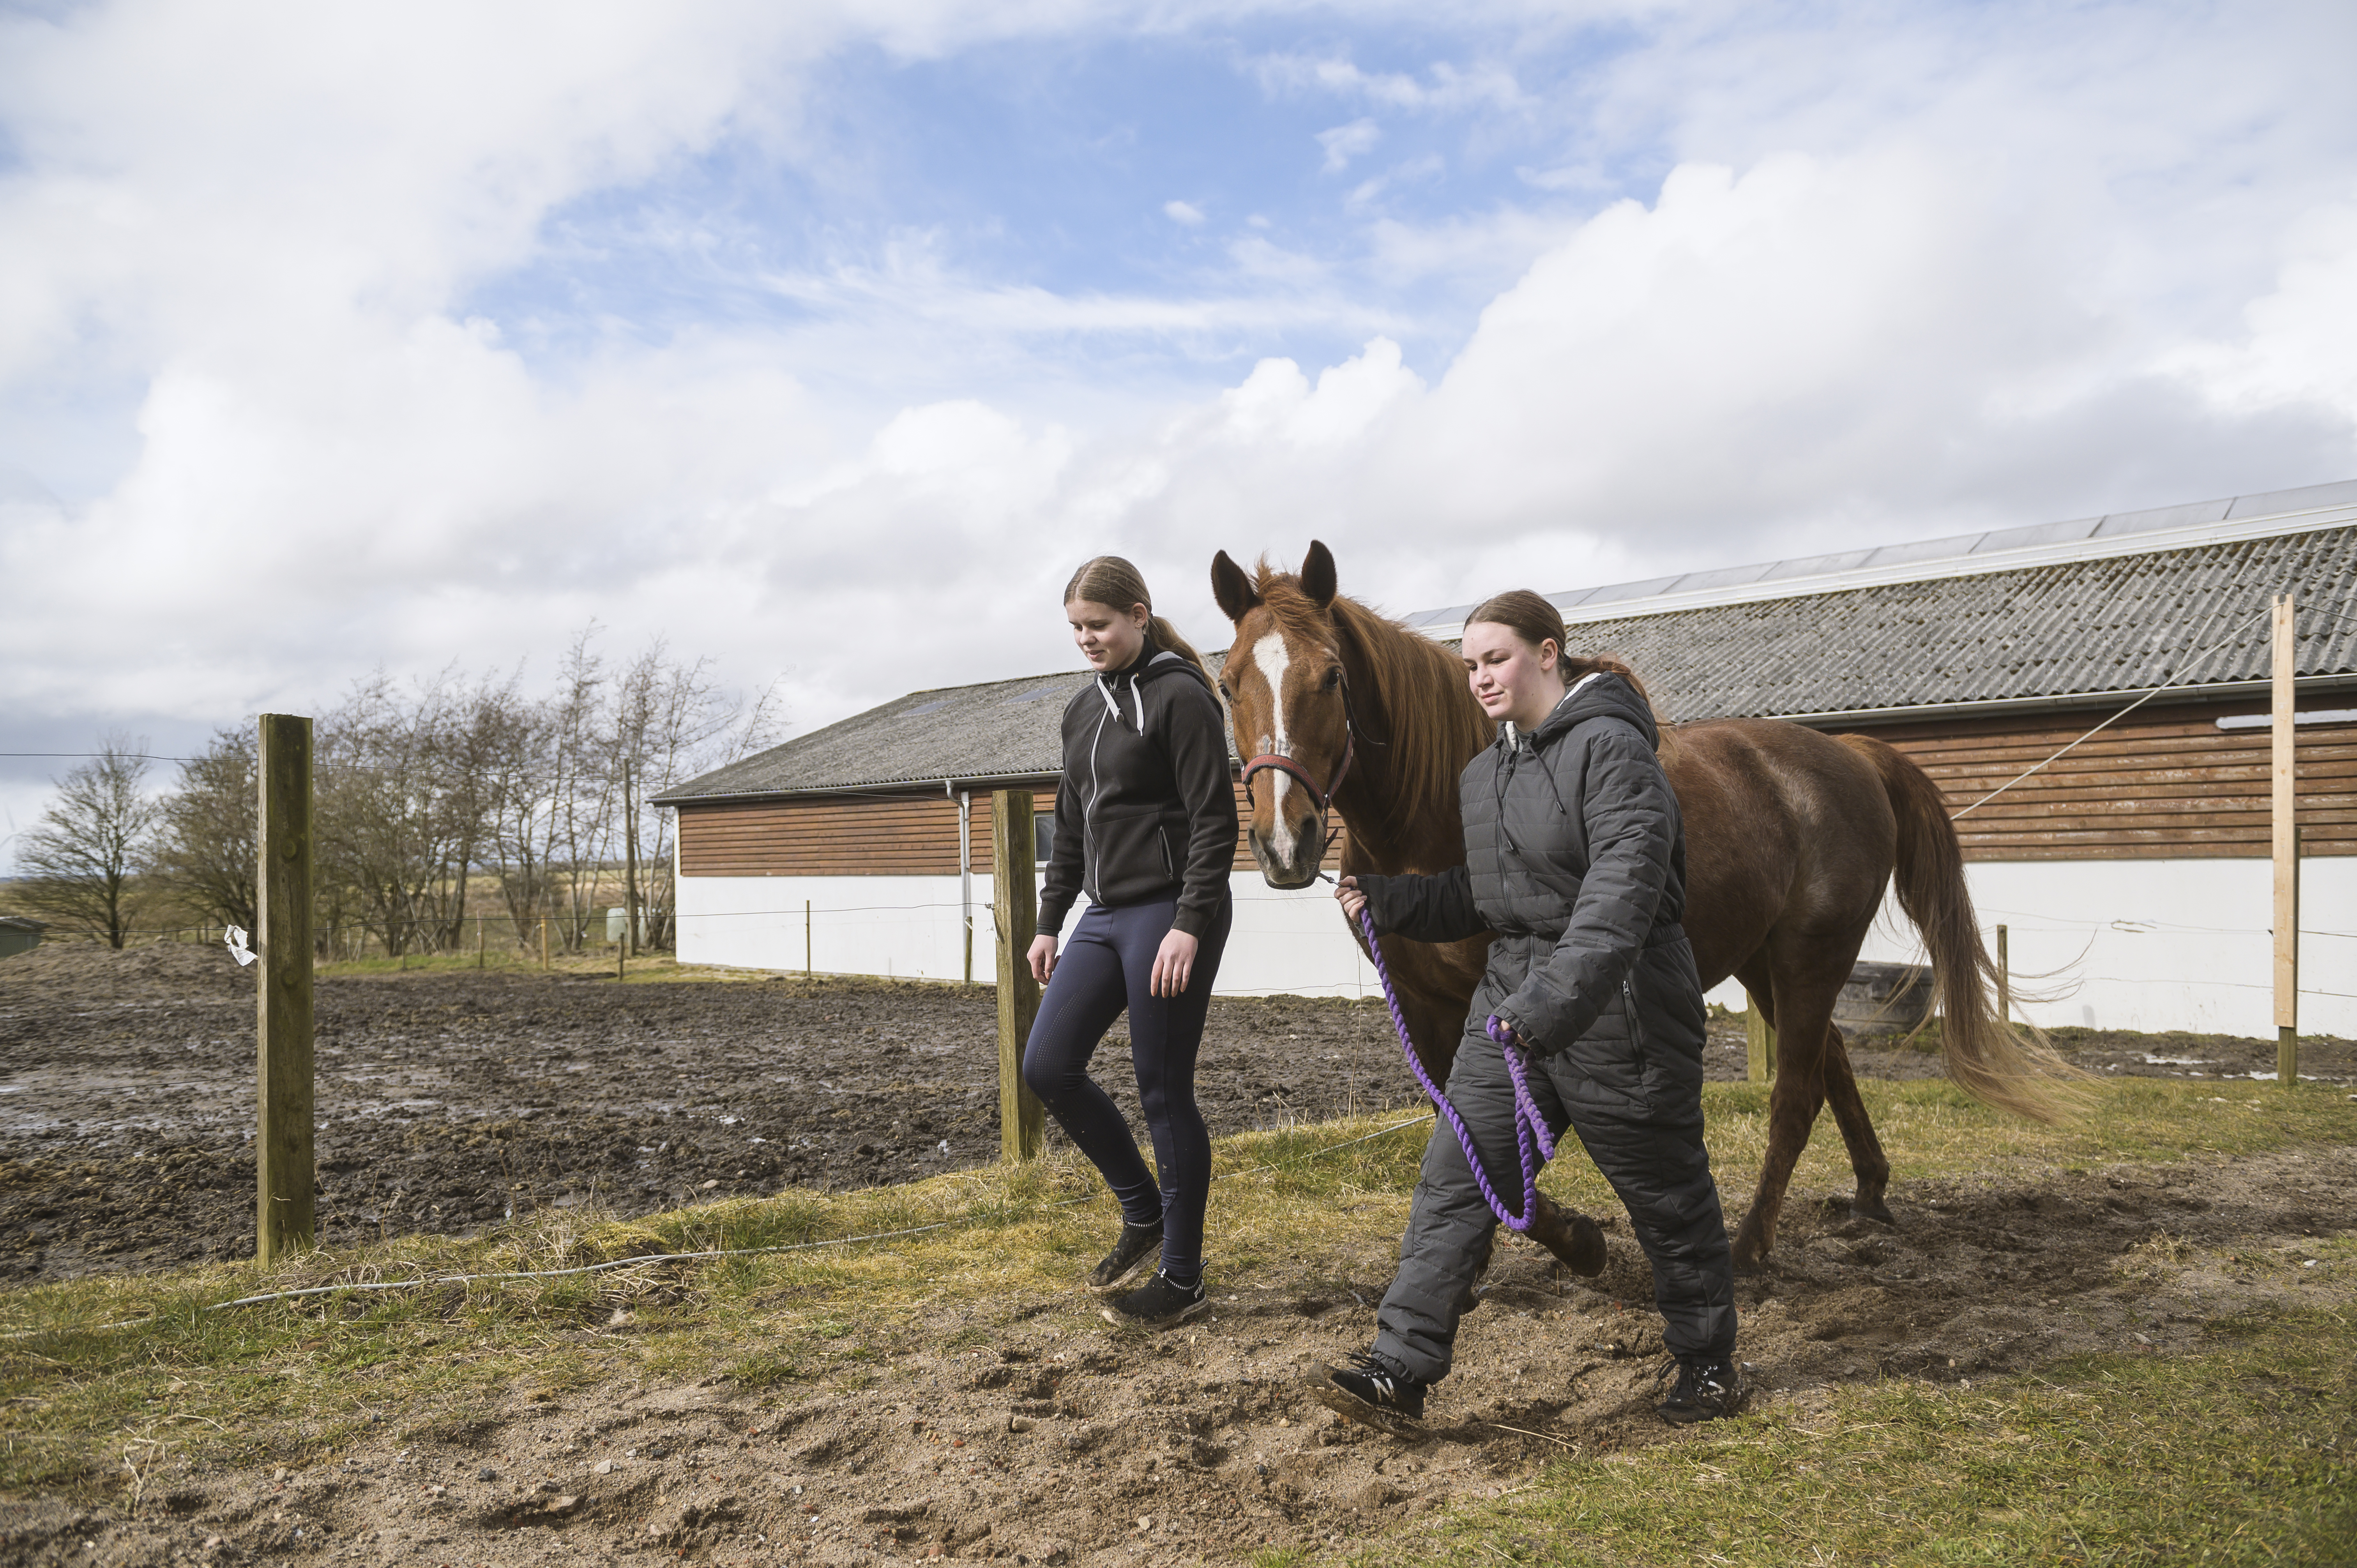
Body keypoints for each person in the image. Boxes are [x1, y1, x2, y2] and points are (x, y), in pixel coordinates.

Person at [1307, 589, 1743, 1428]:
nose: (1479, 678)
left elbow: (1621, 895)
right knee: (1457, 1175)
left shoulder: (1614, 750)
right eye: (1470, 664)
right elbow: (1492, 895)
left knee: (1665, 1192)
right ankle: (1400, 1367)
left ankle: (1709, 1361)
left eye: (1496, 658)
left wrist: (1551, 1001)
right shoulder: (1489, 769)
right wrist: (1395, 902)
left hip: (1624, 1007)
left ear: (1550, 652)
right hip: (1511, 1003)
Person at [1023, 556, 1239, 1327]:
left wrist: (1189, 923)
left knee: (1162, 1087)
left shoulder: (1182, 695)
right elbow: (1073, 826)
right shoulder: (1084, 710)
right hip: (1105, 914)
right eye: (1077, 627)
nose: (1087, 638)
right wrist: (1051, 920)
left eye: (1100, 625)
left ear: (1140, 616)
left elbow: (1216, 822)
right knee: (1046, 1064)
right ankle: (1142, 1207)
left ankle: (1183, 1279)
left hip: (1171, 910)